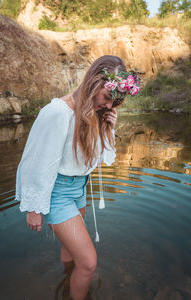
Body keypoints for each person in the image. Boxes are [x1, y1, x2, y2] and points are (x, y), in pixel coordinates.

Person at [15, 55, 140, 300]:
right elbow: (37, 161)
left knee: (70, 250)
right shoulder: (57, 113)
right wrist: (34, 207)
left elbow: (96, 156)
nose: (108, 106)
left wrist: (108, 128)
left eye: (114, 103)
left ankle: (66, 277)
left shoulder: (95, 111)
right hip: (59, 191)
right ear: (93, 82)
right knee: (89, 263)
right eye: (106, 98)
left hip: (79, 188)